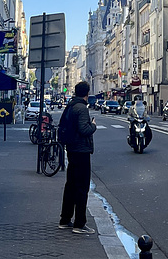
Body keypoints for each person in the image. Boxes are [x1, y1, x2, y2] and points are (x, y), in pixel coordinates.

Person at [59, 81, 97, 234]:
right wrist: (93, 125)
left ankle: (65, 219)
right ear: (87, 93)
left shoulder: (70, 105)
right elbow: (84, 129)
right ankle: (79, 224)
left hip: (72, 149)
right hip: (81, 150)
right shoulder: (81, 108)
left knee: (71, 186)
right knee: (82, 187)